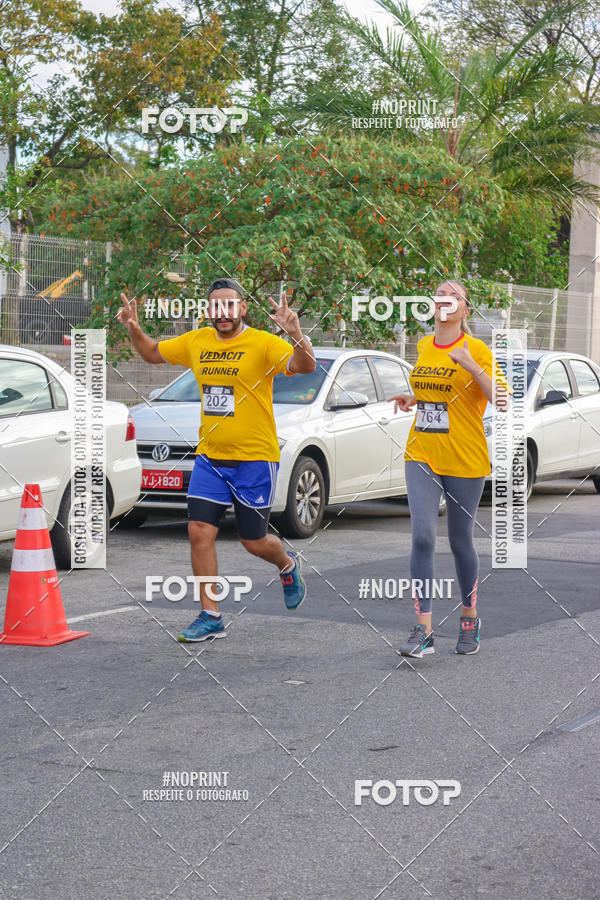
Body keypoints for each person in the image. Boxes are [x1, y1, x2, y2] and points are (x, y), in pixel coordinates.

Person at [117, 278, 316, 642]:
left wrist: (296, 334)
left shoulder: (263, 343)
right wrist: (133, 327)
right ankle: (211, 616)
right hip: (210, 457)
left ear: (243, 308)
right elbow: (152, 353)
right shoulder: (197, 341)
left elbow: (305, 366)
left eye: (230, 305)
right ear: (208, 310)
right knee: (199, 531)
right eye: (216, 306)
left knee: (253, 541)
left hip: (254, 458)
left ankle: (287, 564)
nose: (223, 313)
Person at [389, 280, 510, 657]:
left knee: (460, 541)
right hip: (422, 452)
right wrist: (415, 398)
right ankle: (423, 629)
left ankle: (470, 616)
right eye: (440, 294)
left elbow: (502, 400)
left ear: (464, 310)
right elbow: (439, 391)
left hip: (465, 458)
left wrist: (471, 365)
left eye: (454, 295)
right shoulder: (424, 345)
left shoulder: (477, 349)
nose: (445, 298)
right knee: (423, 536)